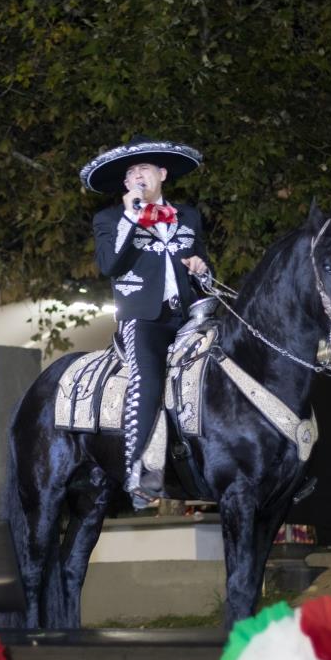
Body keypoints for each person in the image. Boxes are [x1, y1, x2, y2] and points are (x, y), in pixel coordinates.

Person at [79, 136, 210, 509]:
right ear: (125, 183)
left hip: (190, 316)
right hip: (144, 318)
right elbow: (110, 265)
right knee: (148, 379)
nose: (137, 175)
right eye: (131, 172)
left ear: (162, 174)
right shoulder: (109, 219)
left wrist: (201, 269)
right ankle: (140, 475)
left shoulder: (188, 216)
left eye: (144, 169)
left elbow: (204, 266)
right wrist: (132, 217)